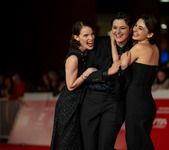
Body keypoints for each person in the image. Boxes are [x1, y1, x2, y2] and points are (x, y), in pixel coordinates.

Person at [80, 12, 133, 150]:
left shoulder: (135, 49)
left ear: (131, 29)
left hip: (115, 102)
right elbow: (84, 76)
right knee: (89, 146)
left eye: (122, 28)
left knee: (105, 147)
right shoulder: (99, 44)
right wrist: (106, 73)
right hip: (91, 100)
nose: (117, 32)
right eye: (115, 27)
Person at [111, 14, 159, 150]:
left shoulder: (139, 48)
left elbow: (117, 66)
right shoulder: (155, 48)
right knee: (142, 144)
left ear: (149, 34)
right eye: (136, 26)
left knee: (135, 145)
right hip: (147, 103)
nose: (135, 30)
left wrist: (112, 43)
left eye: (141, 28)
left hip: (136, 104)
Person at [50, 20, 97, 150]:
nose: (91, 38)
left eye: (92, 34)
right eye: (86, 35)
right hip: (69, 104)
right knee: (67, 141)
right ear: (76, 37)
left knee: (77, 141)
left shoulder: (84, 54)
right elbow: (70, 85)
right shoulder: (73, 57)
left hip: (79, 102)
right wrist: (86, 73)